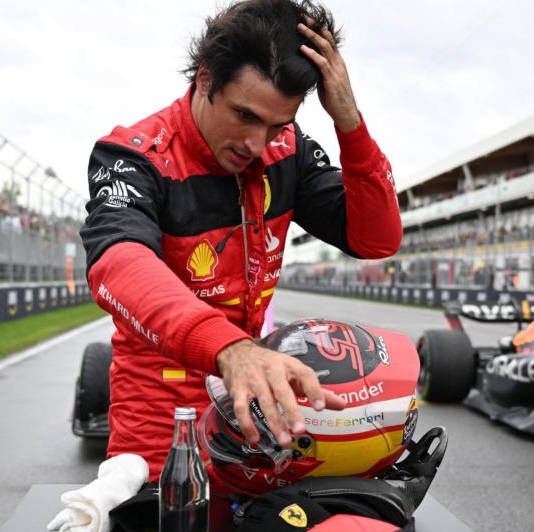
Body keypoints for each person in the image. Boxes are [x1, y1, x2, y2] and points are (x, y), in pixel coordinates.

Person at [79, 0, 403, 478]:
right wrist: (230, 349)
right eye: (245, 115)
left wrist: (349, 124)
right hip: (159, 435)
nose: (257, 143)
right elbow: (118, 263)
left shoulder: (286, 151)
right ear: (206, 78)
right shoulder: (134, 156)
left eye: (277, 124)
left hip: (252, 423)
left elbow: (376, 239)